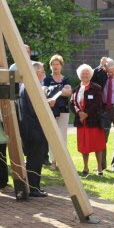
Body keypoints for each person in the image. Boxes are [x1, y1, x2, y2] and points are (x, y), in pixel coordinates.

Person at [19, 62, 51, 197]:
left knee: (37, 158)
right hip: (34, 128)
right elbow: (34, 109)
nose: (44, 74)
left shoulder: (27, 85)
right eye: (43, 72)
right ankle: (32, 188)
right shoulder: (30, 86)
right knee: (34, 159)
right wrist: (47, 104)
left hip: (32, 127)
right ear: (37, 73)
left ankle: (35, 186)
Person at [71, 64, 105, 175]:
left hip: (93, 121)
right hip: (81, 122)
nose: (85, 75)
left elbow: (98, 104)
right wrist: (79, 113)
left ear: (90, 75)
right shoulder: (75, 89)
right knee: (83, 145)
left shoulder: (96, 88)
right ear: (79, 75)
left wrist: (86, 114)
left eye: (87, 73)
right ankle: (85, 167)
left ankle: (99, 167)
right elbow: (72, 103)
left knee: (97, 144)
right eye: (82, 73)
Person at [43, 54, 73, 171]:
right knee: (52, 136)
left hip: (63, 111)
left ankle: (62, 161)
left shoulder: (66, 79)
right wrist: (60, 89)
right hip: (50, 110)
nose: (55, 66)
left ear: (61, 66)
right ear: (50, 66)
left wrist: (55, 90)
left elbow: (68, 92)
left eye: (57, 64)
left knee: (62, 136)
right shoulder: (47, 79)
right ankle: (53, 162)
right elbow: (44, 92)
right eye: (53, 64)